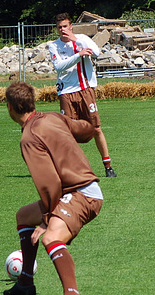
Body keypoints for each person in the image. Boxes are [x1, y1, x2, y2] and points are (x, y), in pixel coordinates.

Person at [3, 81, 103, 295]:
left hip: (82, 193)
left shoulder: (28, 137)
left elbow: (50, 184)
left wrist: (47, 220)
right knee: (24, 216)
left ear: (10, 108)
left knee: (50, 237)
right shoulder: (52, 118)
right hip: (74, 191)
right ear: (32, 102)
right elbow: (87, 131)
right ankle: (26, 282)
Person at [48, 12, 117, 177]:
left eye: (65, 26)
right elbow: (59, 67)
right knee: (68, 132)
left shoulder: (82, 38)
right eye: (60, 27)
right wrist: (79, 54)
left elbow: (96, 52)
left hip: (85, 89)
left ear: (71, 26)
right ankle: (72, 168)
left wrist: (76, 40)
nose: (63, 30)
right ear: (57, 30)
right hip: (66, 92)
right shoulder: (54, 45)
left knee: (96, 128)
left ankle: (108, 166)